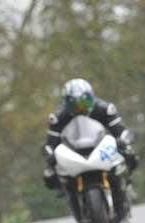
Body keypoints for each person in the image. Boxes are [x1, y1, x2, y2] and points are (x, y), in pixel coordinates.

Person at [43, 78, 138, 211]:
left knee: (129, 154)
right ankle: (71, 196)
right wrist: (50, 155)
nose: (80, 108)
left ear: (91, 97)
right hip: (75, 154)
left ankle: (127, 186)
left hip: (102, 149)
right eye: (74, 104)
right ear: (66, 103)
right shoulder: (58, 118)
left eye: (84, 102)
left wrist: (122, 141)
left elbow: (120, 130)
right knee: (49, 174)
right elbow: (50, 143)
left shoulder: (104, 109)